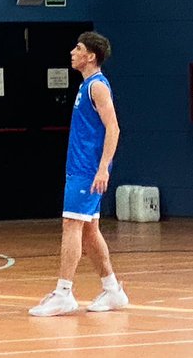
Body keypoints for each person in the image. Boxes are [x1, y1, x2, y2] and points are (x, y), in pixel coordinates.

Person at [30, 32, 128, 317]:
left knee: (71, 224)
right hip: (80, 168)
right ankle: (112, 290)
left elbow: (113, 128)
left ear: (91, 56)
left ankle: (63, 293)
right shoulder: (86, 86)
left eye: (78, 48)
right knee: (89, 231)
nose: (72, 52)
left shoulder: (97, 86)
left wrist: (102, 168)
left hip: (88, 170)